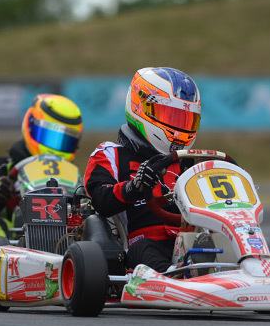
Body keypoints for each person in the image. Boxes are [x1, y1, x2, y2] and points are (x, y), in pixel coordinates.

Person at [84, 67, 201, 273]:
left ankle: (258, 266)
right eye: (171, 116)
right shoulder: (111, 154)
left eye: (185, 119)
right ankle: (176, 280)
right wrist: (134, 186)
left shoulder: (189, 163)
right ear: (141, 108)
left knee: (215, 243)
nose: (178, 127)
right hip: (142, 245)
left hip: (192, 242)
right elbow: (100, 199)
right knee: (146, 249)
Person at [0, 94, 84, 237]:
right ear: (30, 126)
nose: (55, 146)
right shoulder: (4, 167)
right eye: (49, 136)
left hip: (67, 233)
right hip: (16, 236)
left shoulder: (73, 175)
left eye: (64, 141)